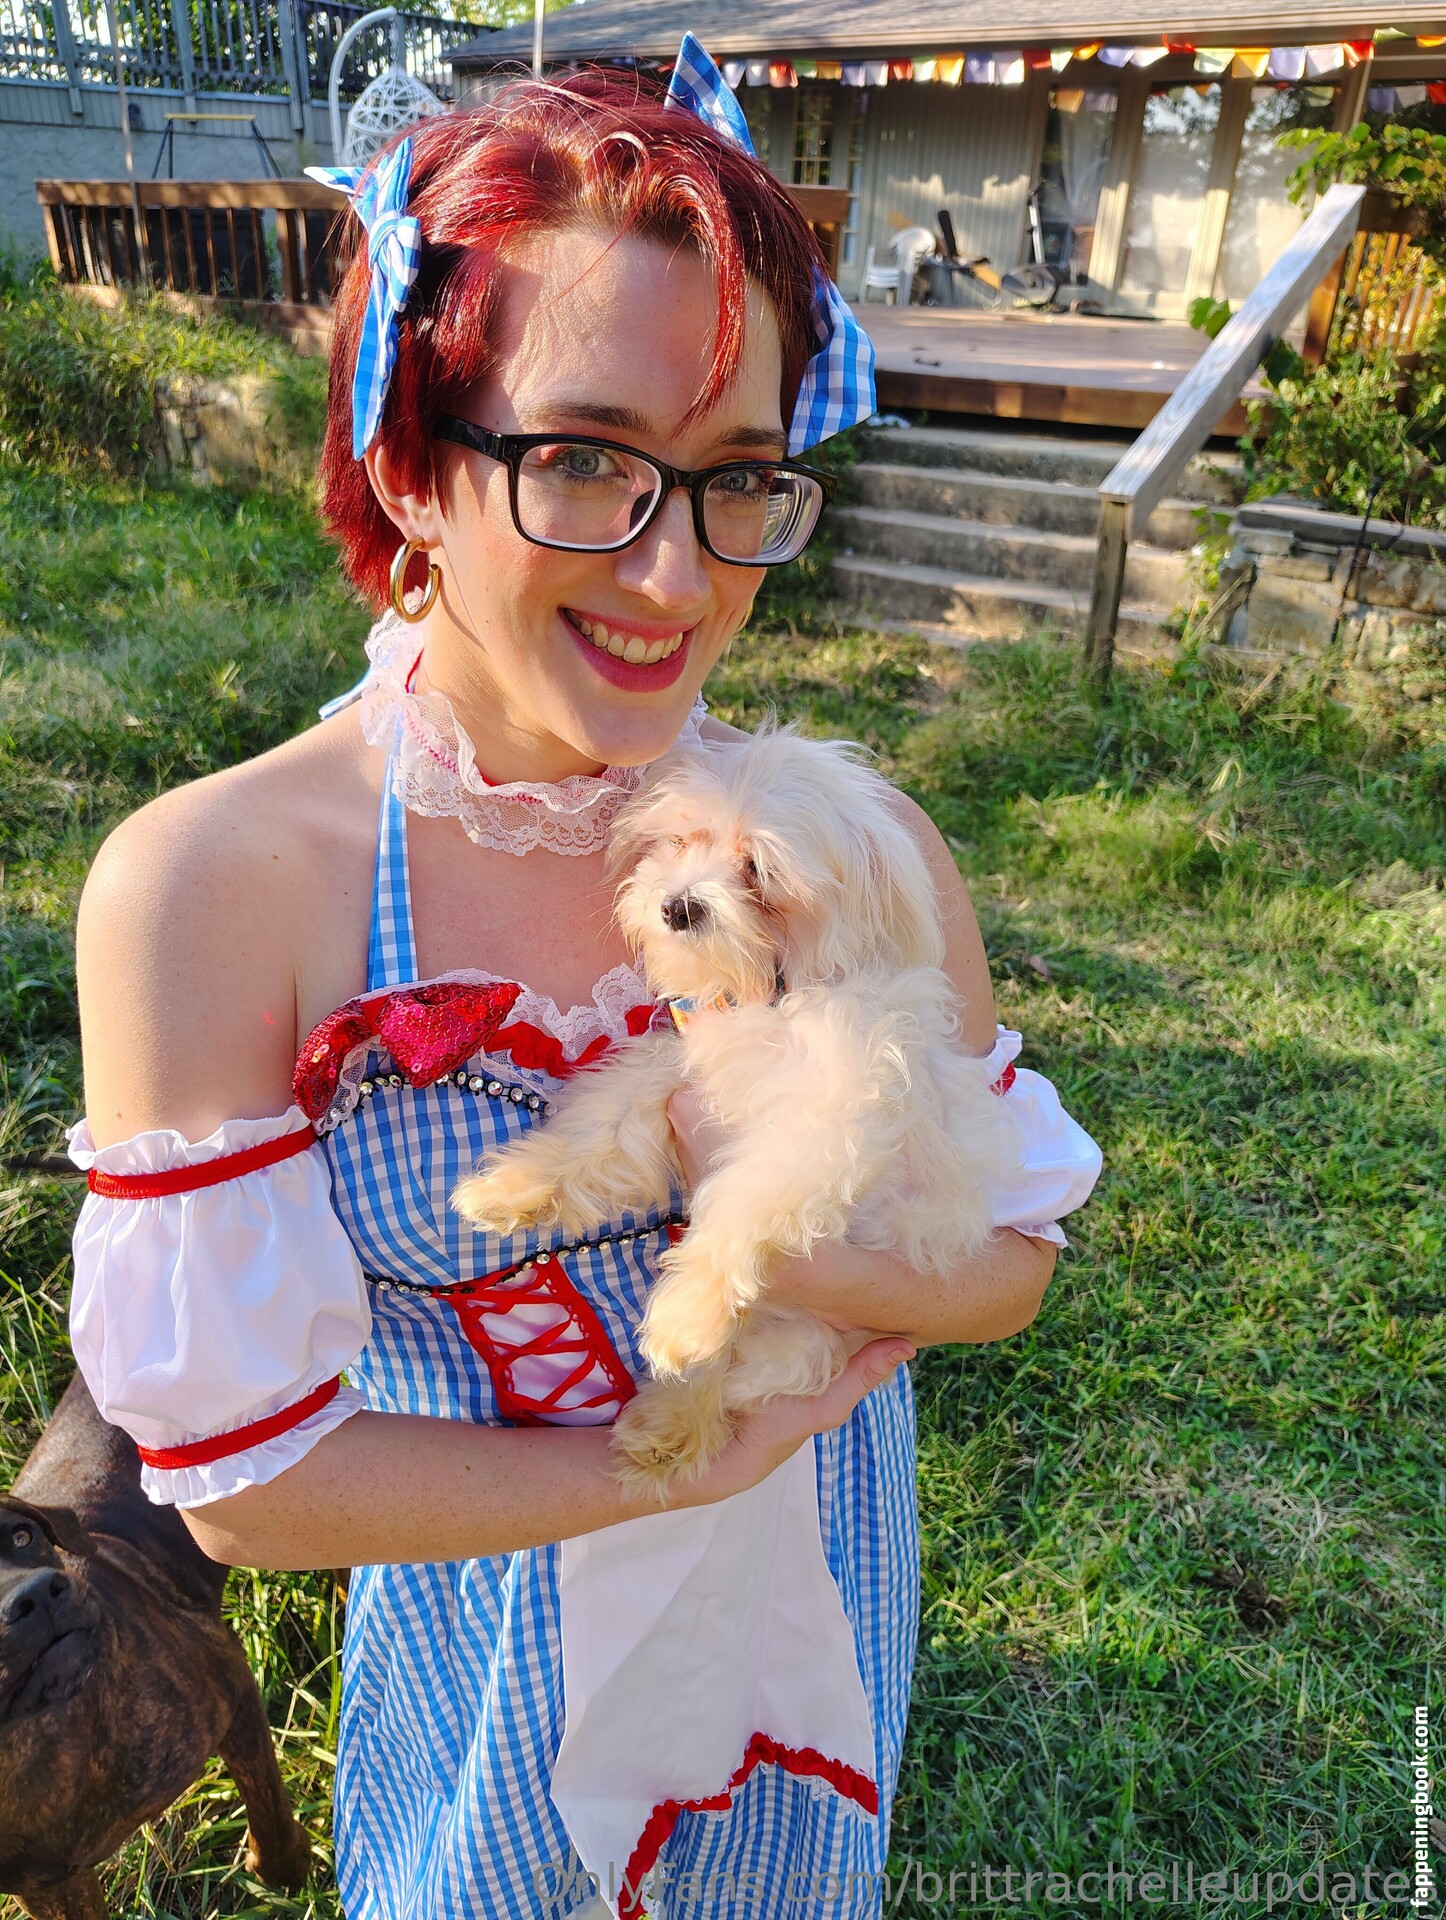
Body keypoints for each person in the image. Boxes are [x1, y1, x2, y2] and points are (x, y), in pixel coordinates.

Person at [64, 40, 1102, 1920]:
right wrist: (665, 1467)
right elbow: (244, 1484)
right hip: (486, 1669)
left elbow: (1011, 1267)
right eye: (584, 462)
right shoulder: (217, 889)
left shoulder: (854, 853)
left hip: (806, 1616)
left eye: (734, 480)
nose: (676, 578)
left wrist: (756, 1229)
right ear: (409, 464)